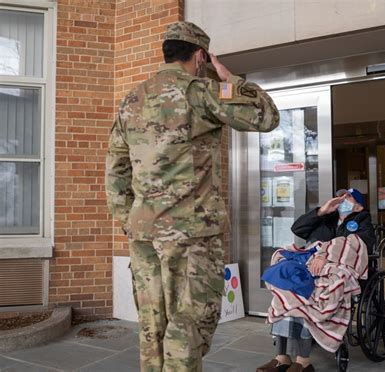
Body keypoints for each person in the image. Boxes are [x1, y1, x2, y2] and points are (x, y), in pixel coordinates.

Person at [106, 21, 280, 372]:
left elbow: (115, 172)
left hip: (143, 236)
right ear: (200, 55)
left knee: (153, 329)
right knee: (188, 327)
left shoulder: (131, 100)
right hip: (192, 237)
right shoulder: (201, 92)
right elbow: (267, 116)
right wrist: (232, 81)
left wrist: (131, 219)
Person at [257, 188, 375, 372]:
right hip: (310, 266)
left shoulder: (362, 219)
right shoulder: (327, 218)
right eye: (340, 195)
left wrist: (326, 254)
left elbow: (359, 243)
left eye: (349, 196)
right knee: (287, 288)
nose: (342, 199)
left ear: (359, 207)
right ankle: (282, 357)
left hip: (335, 270)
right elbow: (298, 229)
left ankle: (303, 361)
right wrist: (322, 211)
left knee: (310, 295)